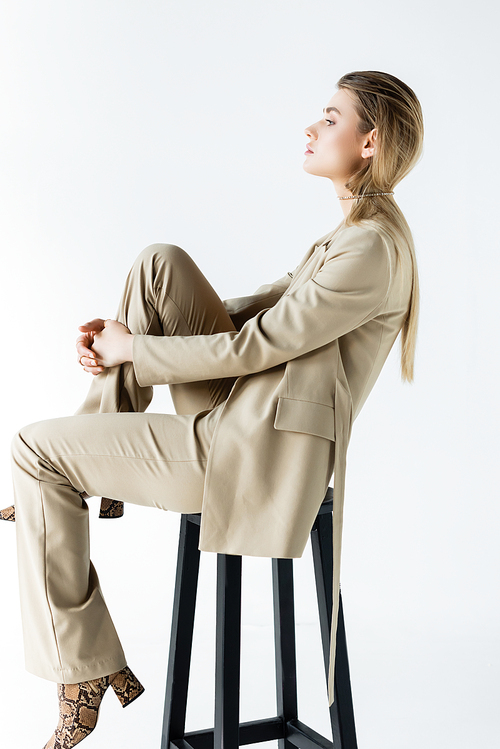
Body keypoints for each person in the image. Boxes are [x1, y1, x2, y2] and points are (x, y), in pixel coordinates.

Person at [5, 70, 423, 748]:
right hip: (245, 417)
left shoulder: (369, 247)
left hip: (252, 453)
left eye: (330, 117)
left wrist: (138, 348)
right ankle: (90, 457)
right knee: (158, 264)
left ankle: (81, 670)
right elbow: (266, 305)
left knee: (32, 449)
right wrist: (129, 348)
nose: (312, 128)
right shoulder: (356, 233)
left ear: (369, 141)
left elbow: (262, 345)